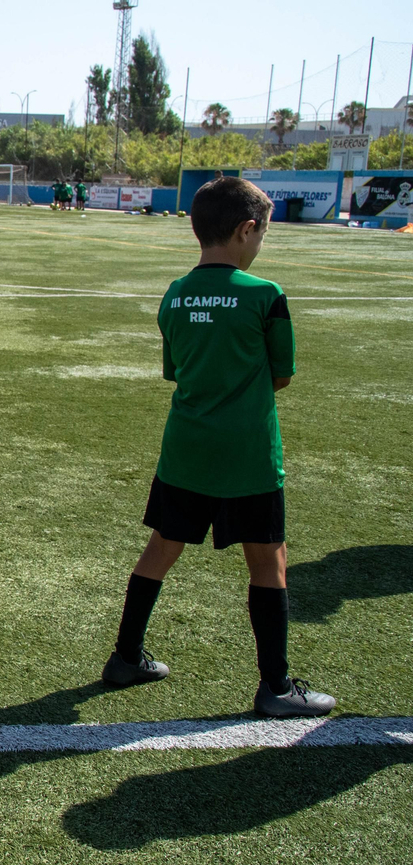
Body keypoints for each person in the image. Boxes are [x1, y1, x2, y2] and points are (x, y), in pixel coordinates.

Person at [101, 176, 334, 719]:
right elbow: (282, 376)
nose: (260, 245)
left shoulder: (175, 293)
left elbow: (174, 370)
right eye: (261, 234)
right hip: (247, 455)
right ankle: (275, 687)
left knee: (162, 547)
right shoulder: (265, 295)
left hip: (185, 449)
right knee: (268, 561)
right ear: (246, 229)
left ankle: (125, 657)